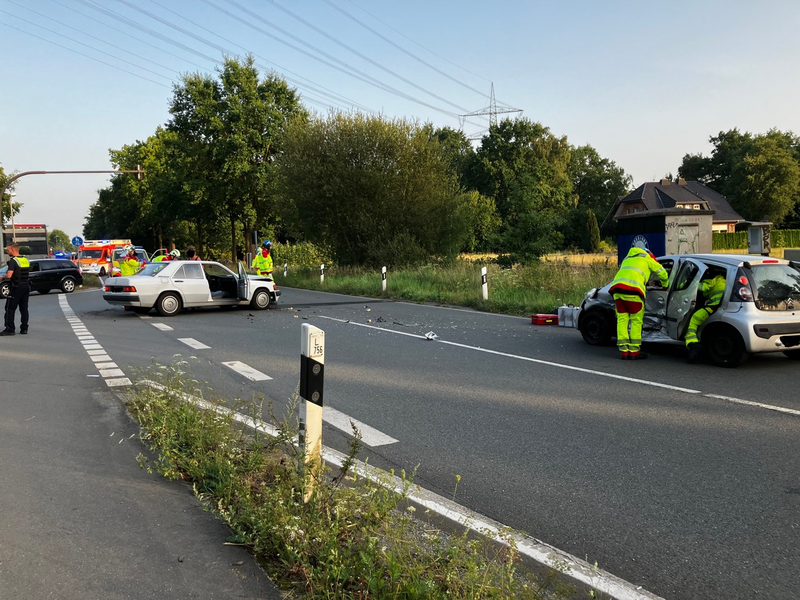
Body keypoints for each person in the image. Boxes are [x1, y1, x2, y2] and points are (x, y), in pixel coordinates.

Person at [608, 245, 669, 360]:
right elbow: (662, 272)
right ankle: (634, 351)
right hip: (634, 292)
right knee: (636, 321)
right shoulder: (647, 258)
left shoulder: (627, 259)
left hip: (617, 291)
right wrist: (665, 285)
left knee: (622, 319)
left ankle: (624, 351)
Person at [685, 269, 727, 363]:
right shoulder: (722, 280)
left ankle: (693, 345)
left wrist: (691, 280)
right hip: (719, 307)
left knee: (694, 320)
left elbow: (701, 288)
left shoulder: (710, 280)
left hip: (712, 307)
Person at [2, 243, 31, 336]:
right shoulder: (25, 260)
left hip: (16, 287)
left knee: (10, 308)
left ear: (13, 250)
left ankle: (10, 329)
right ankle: (24, 328)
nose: (7, 251)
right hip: (26, 286)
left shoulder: (13, 261)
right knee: (24, 308)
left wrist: (2, 278)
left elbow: (9, 275)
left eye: (8, 250)